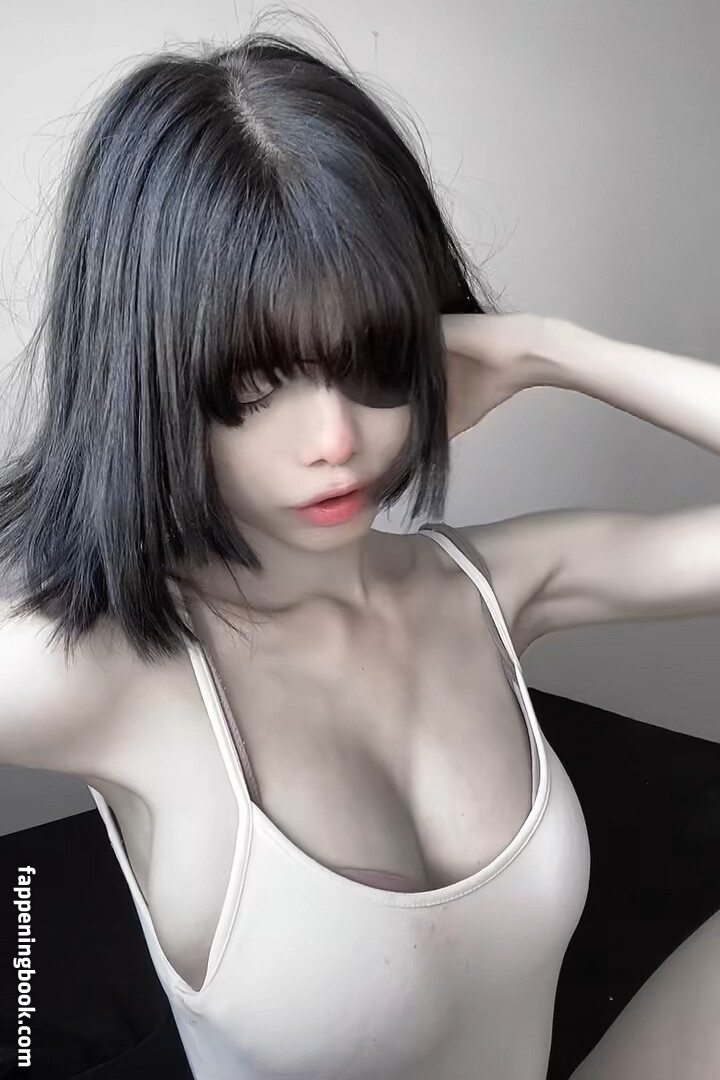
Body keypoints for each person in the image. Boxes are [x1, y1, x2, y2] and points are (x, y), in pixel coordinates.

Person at [1, 19, 720, 1080]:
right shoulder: (100, 670)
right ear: (147, 383)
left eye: (373, 357)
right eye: (253, 385)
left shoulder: (494, 589)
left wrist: (552, 350)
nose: (335, 439)